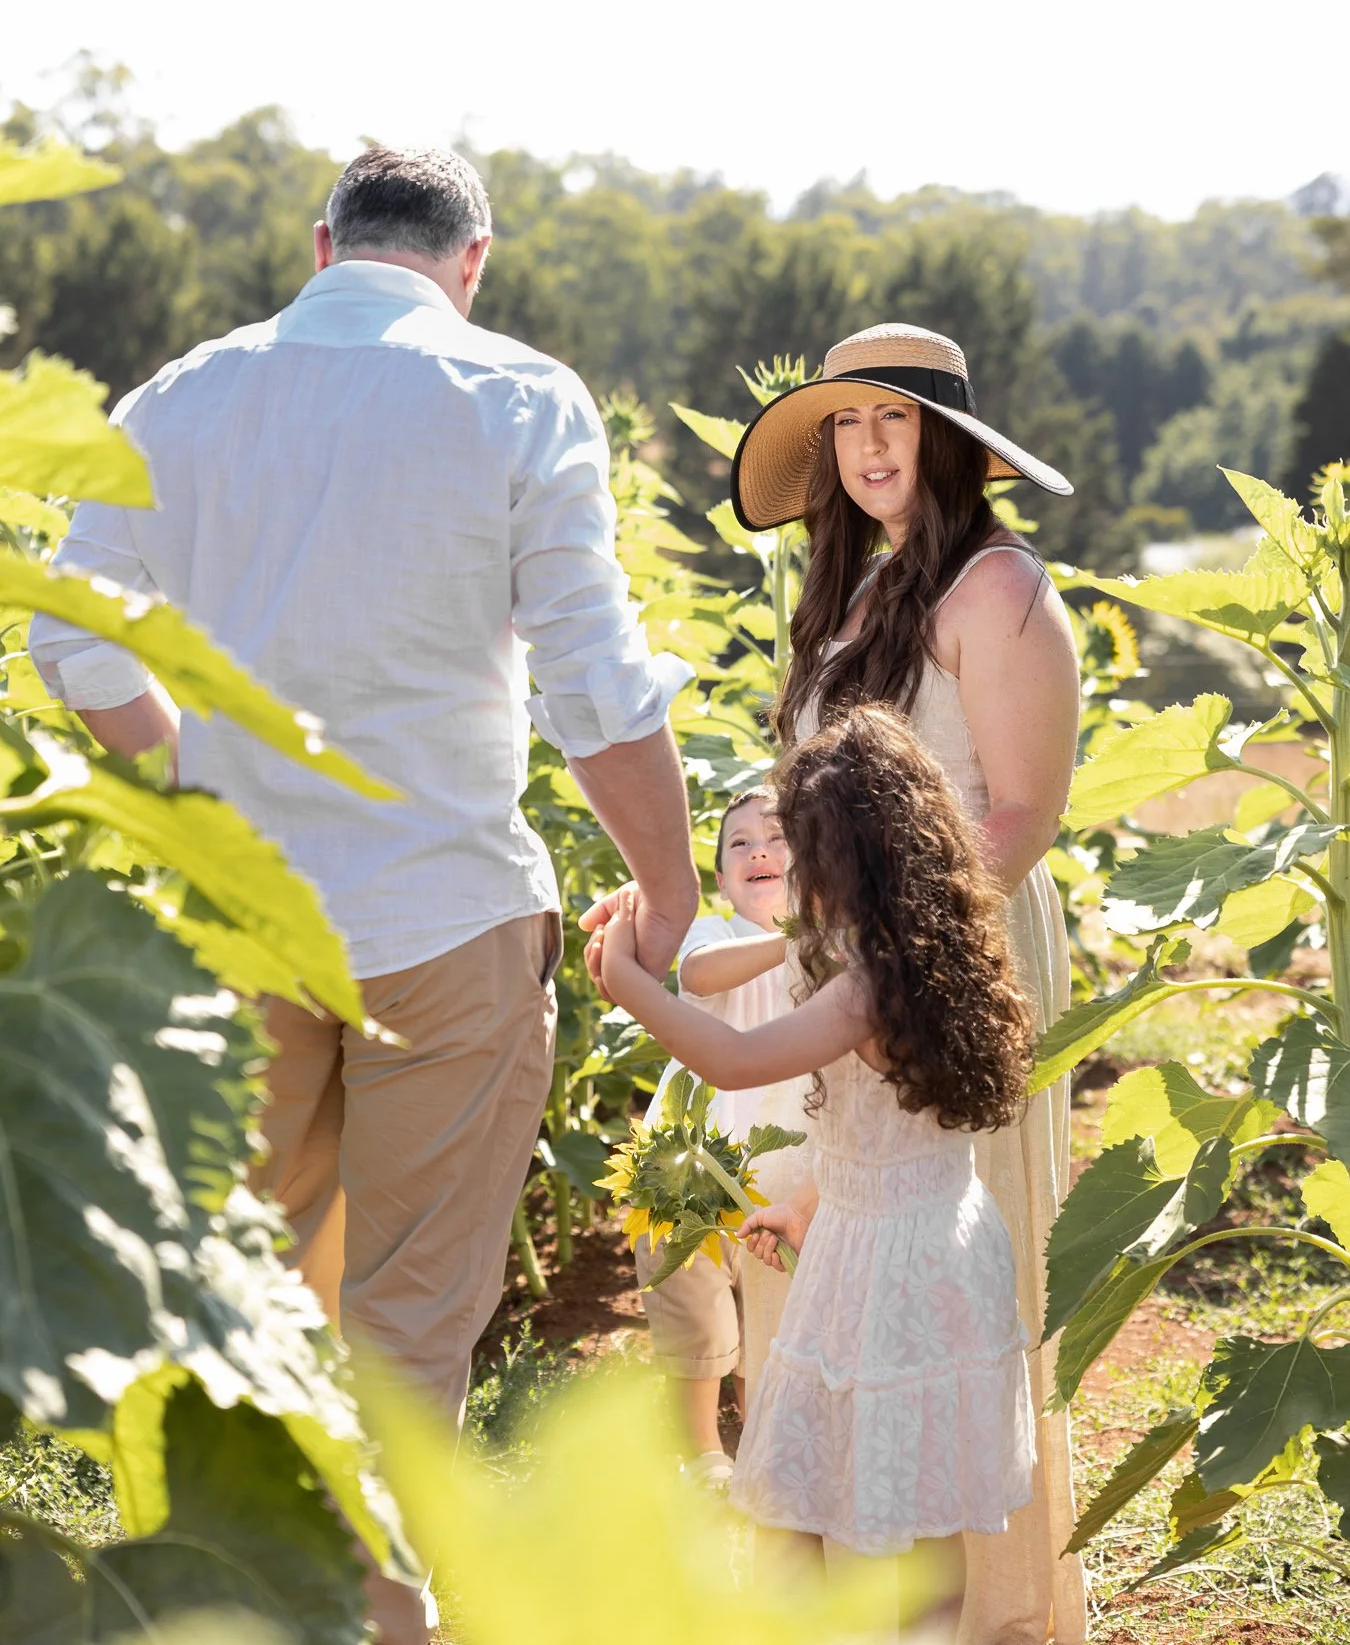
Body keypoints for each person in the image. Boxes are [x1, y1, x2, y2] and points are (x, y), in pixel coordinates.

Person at [28, 145, 699, 1645]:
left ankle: (224, 1609)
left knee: (237, 1304)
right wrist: (667, 884)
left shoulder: (179, 395)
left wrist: (193, 780)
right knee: (404, 1324)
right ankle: (390, 1625)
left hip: (241, 916)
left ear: (323, 244)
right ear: (473, 262)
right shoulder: (519, 394)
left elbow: (73, 642)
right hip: (446, 920)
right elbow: (593, 680)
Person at [726, 320, 1086, 1645]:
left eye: (895, 421)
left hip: (950, 951)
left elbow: (1020, 814)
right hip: (855, 958)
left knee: (928, 1270)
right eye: (847, 425)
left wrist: (897, 960)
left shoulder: (996, 592)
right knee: (848, 1270)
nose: (870, 449)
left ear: (951, 442)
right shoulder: (869, 589)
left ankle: (971, 1612)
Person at [594, 705, 1037, 1609]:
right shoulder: (943, 950)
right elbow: (896, 1136)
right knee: (918, 1501)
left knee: (803, 1494)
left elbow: (732, 1059)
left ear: (839, 858)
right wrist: (808, 1206)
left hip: (884, 1270)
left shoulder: (864, 981)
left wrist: (626, 983)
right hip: (925, 1241)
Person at [633, 787, 788, 1486]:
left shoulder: (838, 946)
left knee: (773, 1311)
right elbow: (695, 976)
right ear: (723, 880)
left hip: (785, 1166)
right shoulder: (716, 935)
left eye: (780, 836)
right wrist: (793, 942)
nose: (758, 848)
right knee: (691, 1305)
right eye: (739, 843)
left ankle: (765, 1438)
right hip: (691, 1158)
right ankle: (703, 1452)